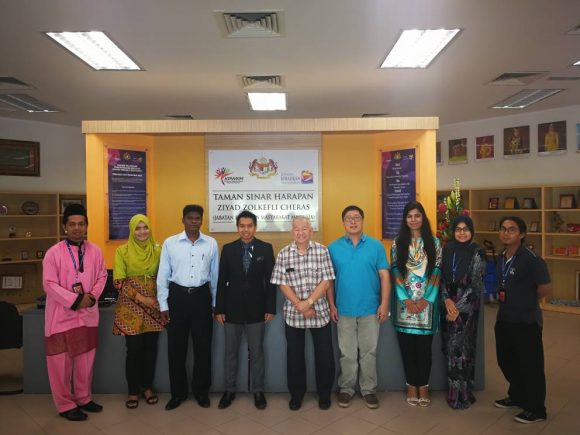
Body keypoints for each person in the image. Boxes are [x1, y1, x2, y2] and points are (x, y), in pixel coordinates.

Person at [42, 204, 107, 421]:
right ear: (64, 227)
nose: (77, 228)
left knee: (85, 361)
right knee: (60, 364)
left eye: (81, 224)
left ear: (87, 226)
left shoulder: (95, 250)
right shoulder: (54, 253)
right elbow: (49, 284)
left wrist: (92, 297)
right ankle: (65, 404)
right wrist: (76, 300)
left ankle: (84, 397)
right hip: (61, 317)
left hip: (87, 315)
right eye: (72, 224)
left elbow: (102, 277)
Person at [157, 204, 219, 411]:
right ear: (182, 220)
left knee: (203, 348)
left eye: (197, 218)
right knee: (176, 350)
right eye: (190, 218)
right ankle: (178, 394)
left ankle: (201, 392)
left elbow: (215, 277)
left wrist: (214, 303)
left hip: (201, 297)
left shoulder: (211, 243)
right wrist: (163, 305)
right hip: (177, 298)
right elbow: (163, 276)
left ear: (202, 220)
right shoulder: (170, 243)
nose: (194, 221)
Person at [270, 216, 336, 411]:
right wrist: (300, 304)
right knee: (295, 358)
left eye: (304, 228)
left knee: (325, 357)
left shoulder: (322, 251)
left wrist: (308, 303)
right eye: (296, 229)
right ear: (292, 232)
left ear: (311, 231)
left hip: (320, 313)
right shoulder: (284, 254)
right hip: (294, 315)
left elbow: (326, 281)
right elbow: (282, 283)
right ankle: (296, 395)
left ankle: (324, 395)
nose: (300, 232)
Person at [328, 205, 390, 409]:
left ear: (363, 221)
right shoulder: (333, 247)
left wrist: (384, 303)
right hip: (343, 309)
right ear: (343, 222)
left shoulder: (376, 246)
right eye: (348, 218)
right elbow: (329, 281)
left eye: (356, 218)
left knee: (369, 352)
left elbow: (384, 276)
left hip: (370, 309)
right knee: (347, 353)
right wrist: (331, 305)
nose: (353, 221)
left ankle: (369, 390)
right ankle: (346, 389)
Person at [215, 210, 276, 410]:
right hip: (231, 311)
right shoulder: (228, 249)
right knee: (230, 352)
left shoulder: (266, 249)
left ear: (255, 227)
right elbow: (221, 280)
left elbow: (271, 282)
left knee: (257, 352)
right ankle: (229, 390)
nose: (246, 230)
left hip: (257, 311)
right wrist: (219, 309)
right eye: (242, 226)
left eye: (250, 226)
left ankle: (258, 391)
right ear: (237, 227)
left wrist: (270, 308)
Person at [494, 216, 551, 424]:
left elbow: (545, 287)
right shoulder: (500, 256)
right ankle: (517, 395)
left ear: (522, 234)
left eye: (511, 229)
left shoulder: (531, 258)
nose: (506, 233)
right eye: (503, 228)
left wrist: (524, 299)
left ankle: (536, 408)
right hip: (505, 318)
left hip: (526, 321)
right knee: (506, 360)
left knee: (530, 365)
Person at [390, 201, 441, 407]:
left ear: (423, 218)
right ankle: (411, 385)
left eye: (417, 215)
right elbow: (395, 270)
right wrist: (406, 299)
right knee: (407, 348)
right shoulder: (397, 243)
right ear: (405, 219)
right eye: (409, 216)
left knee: (424, 349)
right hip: (405, 305)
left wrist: (426, 299)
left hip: (427, 305)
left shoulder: (435, 242)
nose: (413, 219)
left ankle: (424, 386)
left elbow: (437, 271)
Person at [112, 214, 166, 409]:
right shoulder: (122, 251)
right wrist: (143, 299)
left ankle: (147, 387)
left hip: (154, 307)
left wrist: (159, 300)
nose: (142, 232)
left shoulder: (159, 250)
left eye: (145, 227)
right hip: (131, 307)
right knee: (134, 350)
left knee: (151, 350)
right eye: (138, 228)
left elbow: (165, 275)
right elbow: (118, 280)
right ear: (132, 230)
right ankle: (133, 391)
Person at [441, 216, 486, 410]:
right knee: (450, 350)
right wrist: (447, 301)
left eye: (465, 229)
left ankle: (463, 395)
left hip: (466, 308)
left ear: (471, 231)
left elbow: (475, 285)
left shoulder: (478, 252)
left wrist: (457, 308)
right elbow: (441, 277)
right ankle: (454, 392)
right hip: (448, 304)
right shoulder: (447, 249)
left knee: (461, 350)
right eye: (458, 229)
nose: (461, 232)